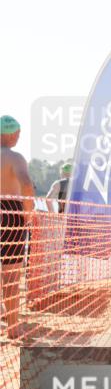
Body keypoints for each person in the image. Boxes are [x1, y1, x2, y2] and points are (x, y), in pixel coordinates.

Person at [1, 116, 35, 340]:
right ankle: (13, 328)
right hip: (10, 212)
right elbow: (26, 184)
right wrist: (28, 212)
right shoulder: (14, 157)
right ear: (9, 133)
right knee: (11, 275)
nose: (19, 137)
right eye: (18, 133)